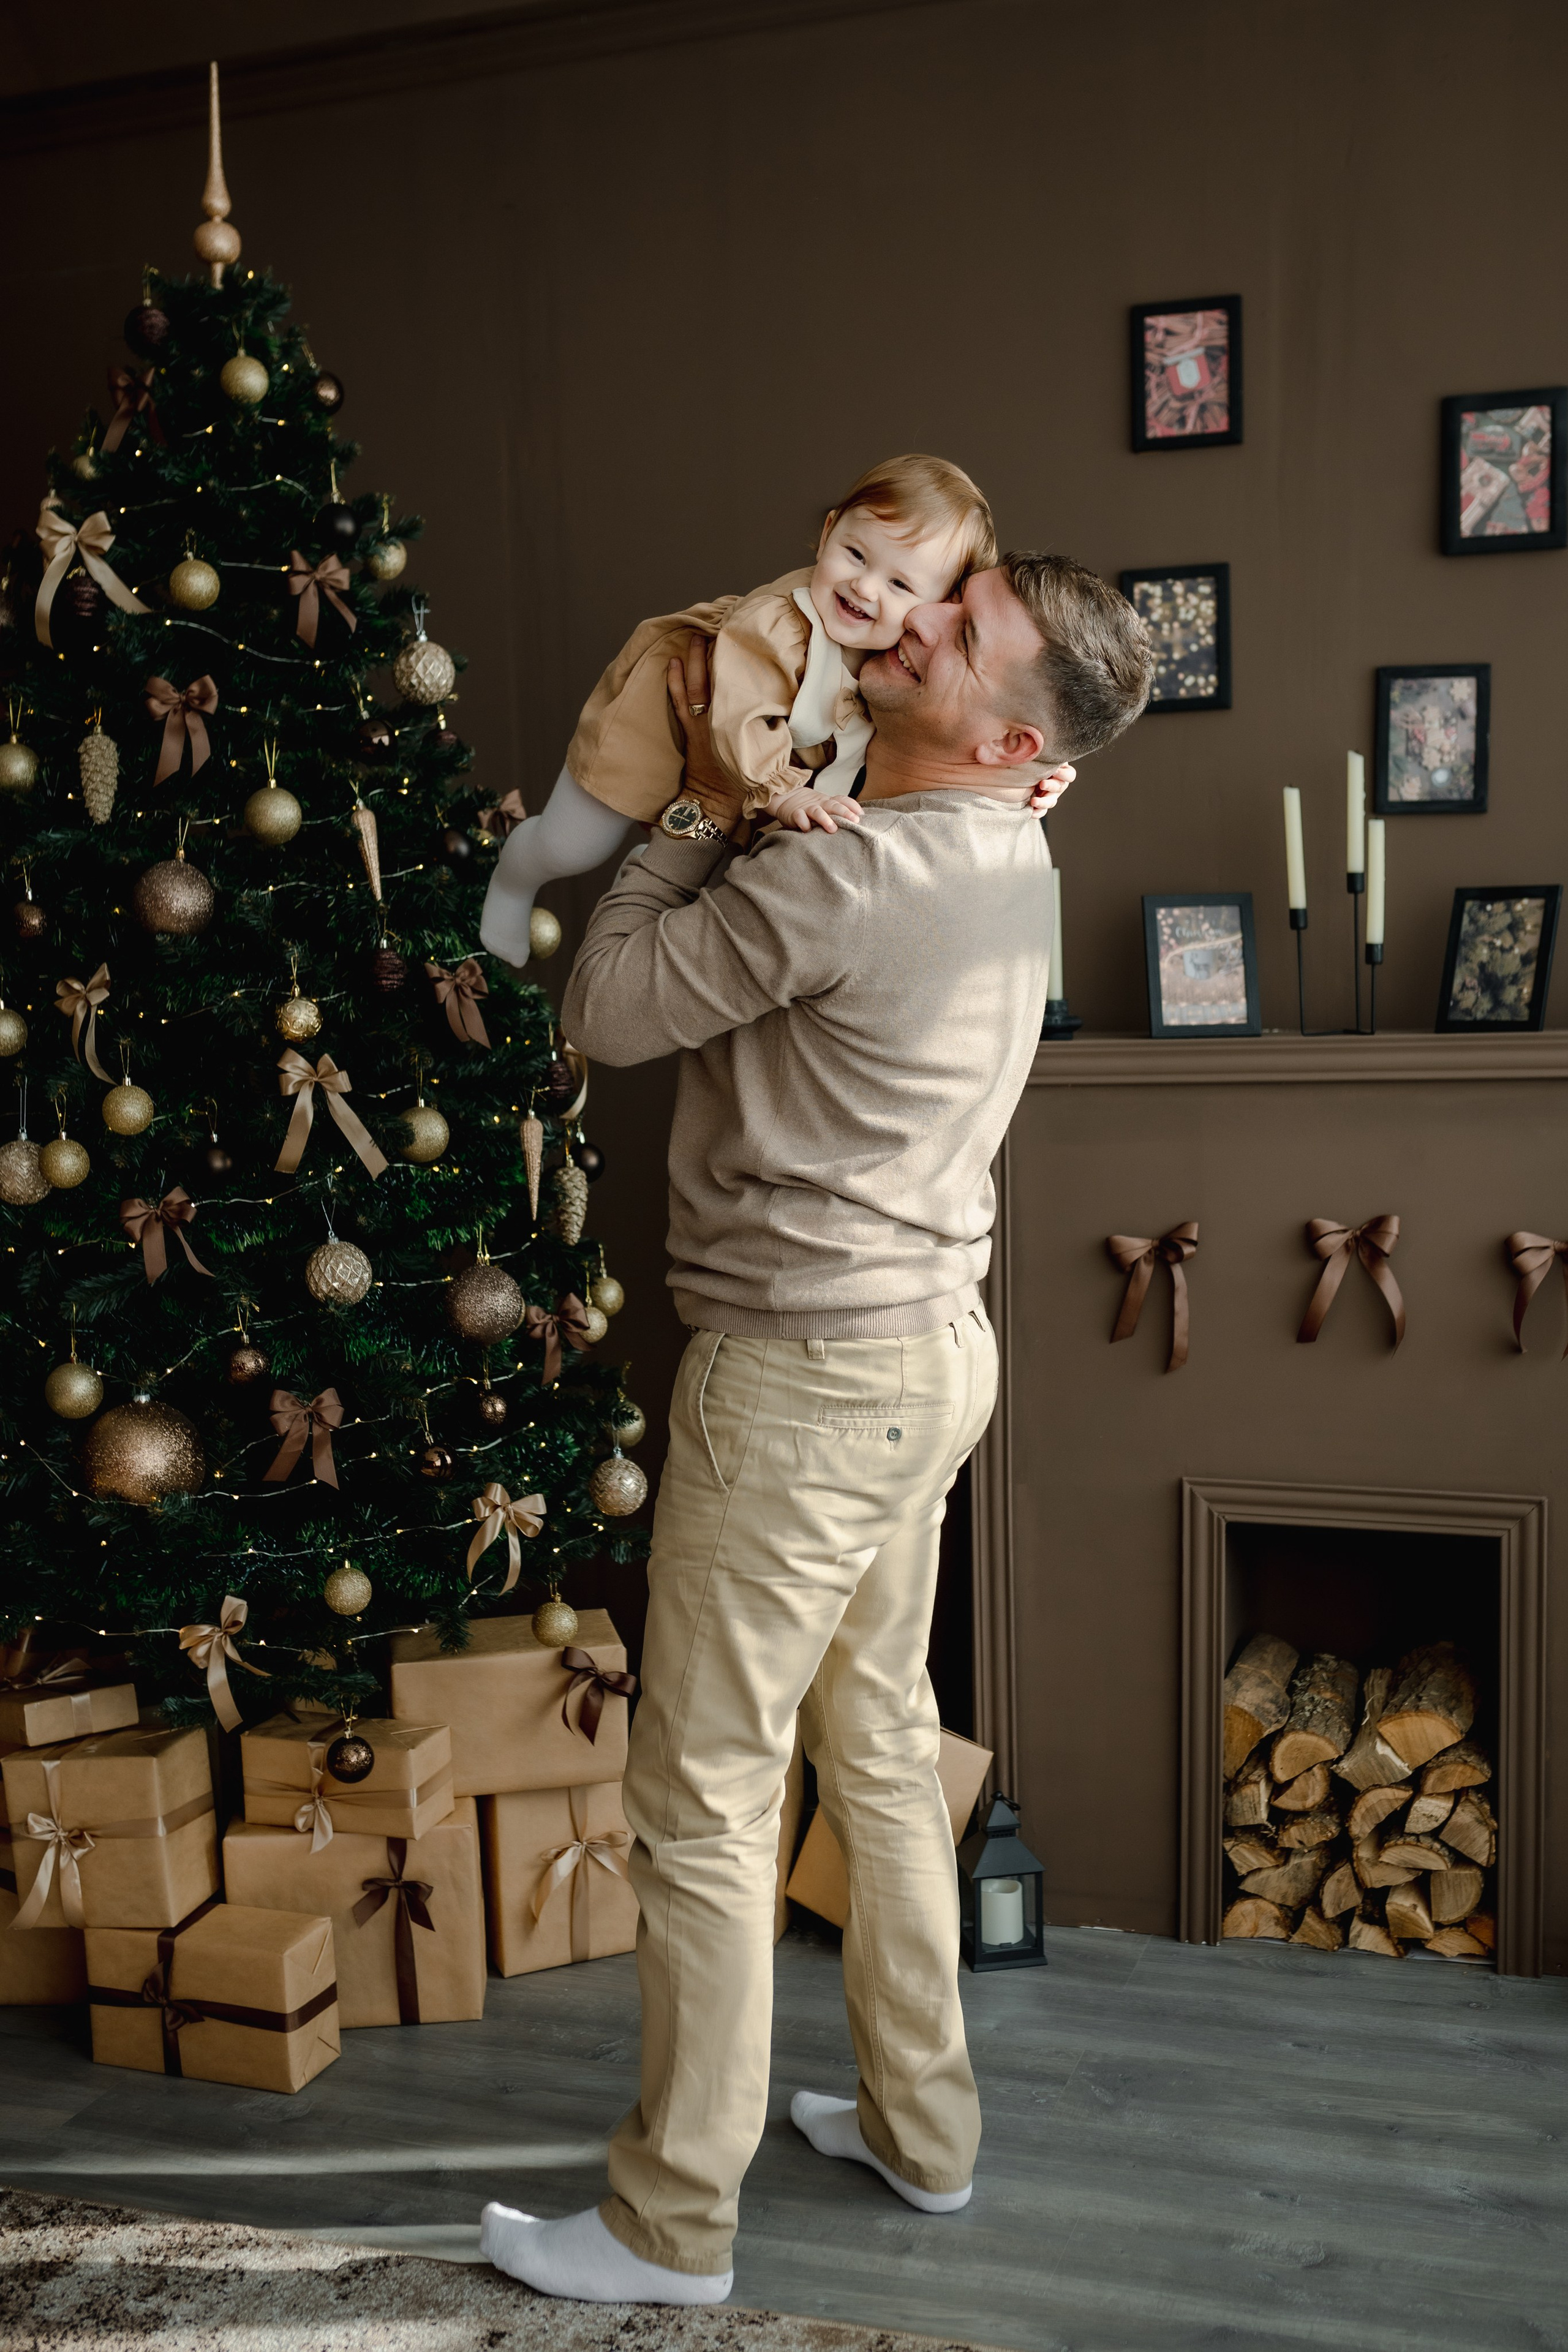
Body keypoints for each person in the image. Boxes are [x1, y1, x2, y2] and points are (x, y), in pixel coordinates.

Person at [480, 552, 1153, 2304]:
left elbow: (601, 1008)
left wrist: (704, 813)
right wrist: (857, 776)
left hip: (806, 1382)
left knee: (699, 1796)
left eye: (958, 624)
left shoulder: (855, 881)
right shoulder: (1011, 834)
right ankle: (926, 2134)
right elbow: (896, 756)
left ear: (1007, 726)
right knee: (875, 1737)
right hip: (930, 1355)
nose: (911, 611)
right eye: (955, 583)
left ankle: (666, 2228)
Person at [477, 454, 997, 964]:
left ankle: (652, 860)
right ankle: (516, 872)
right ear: (828, 530)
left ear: (941, 604)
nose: (863, 587)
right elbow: (739, 716)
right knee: (574, 846)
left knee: (725, 876)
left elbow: (960, 723)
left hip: (749, 773)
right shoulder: (775, 626)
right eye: (855, 554)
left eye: (900, 584)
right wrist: (783, 794)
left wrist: (1018, 778)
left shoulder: (903, 657)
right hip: (662, 727)